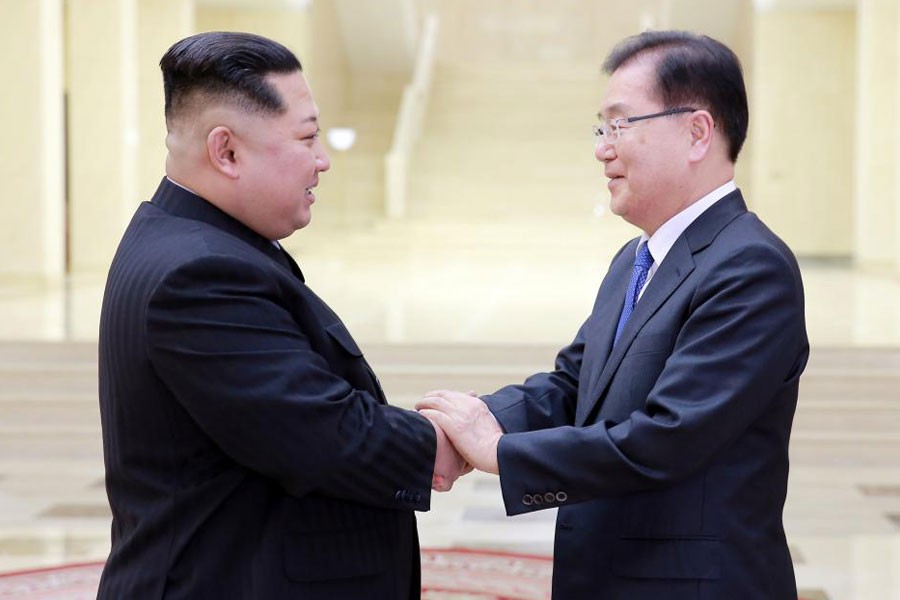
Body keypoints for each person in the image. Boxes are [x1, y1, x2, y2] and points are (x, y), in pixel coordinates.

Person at [418, 30, 809, 599]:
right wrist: (477, 419)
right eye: (601, 129)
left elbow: (669, 438)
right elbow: (574, 385)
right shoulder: (637, 257)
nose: (603, 149)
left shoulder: (750, 266)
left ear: (697, 132)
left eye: (620, 124)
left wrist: (500, 451)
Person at [97, 31, 464, 600]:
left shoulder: (193, 240)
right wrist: (447, 441)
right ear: (227, 151)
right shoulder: (200, 275)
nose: (322, 161)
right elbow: (325, 434)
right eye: (307, 137)